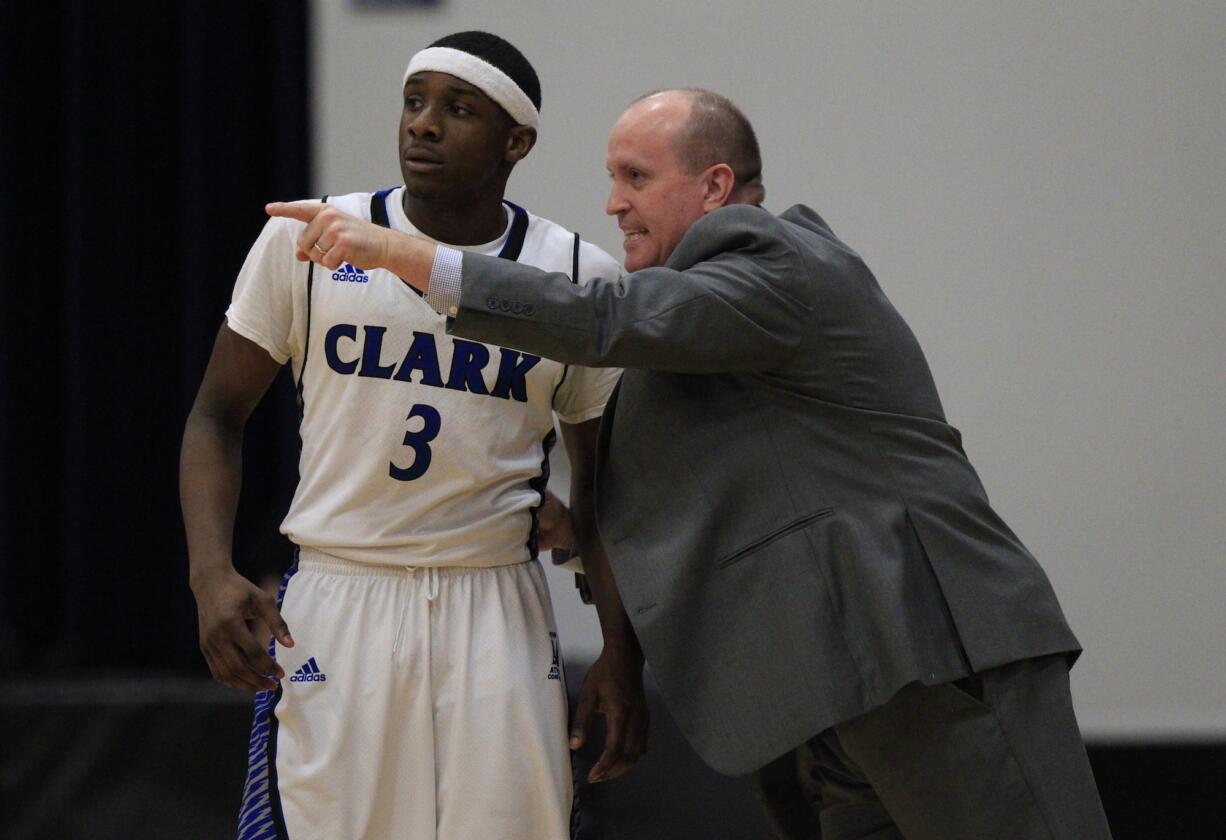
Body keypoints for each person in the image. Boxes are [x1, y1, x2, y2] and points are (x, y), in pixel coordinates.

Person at [267, 88, 1113, 838]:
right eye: (611, 178)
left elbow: (598, 318)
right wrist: (551, 519)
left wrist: (402, 256)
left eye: (636, 178)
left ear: (714, 188)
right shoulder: (714, 323)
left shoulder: (773, 261)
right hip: (840, 691)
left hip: (923, 654)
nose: (612, 203)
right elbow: (710, 472)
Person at [181, 32, 646, 840]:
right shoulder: (312, 238)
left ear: (516, 142)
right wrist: (209, 573)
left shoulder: (576, 276)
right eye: (414, 102)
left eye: (456, 109)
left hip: (494, 603)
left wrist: (620, 643)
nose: (423, 125)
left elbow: (602, 489)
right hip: (341, 593)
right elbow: (215, 417)